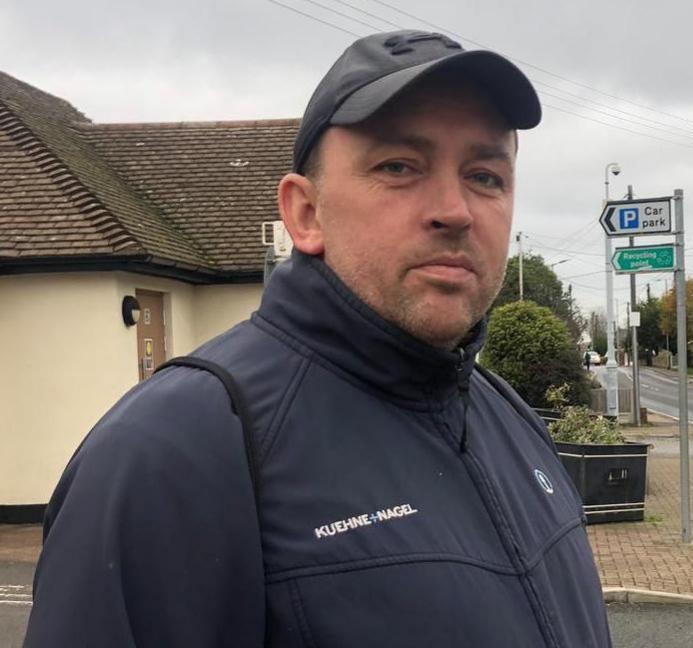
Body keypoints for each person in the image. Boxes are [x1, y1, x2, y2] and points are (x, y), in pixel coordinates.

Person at [25, 30, 612, 647]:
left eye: (486, 175)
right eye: (398, 167)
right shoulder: (170, 452)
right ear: (305, 214)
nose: (455, 209)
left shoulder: (510, 419)